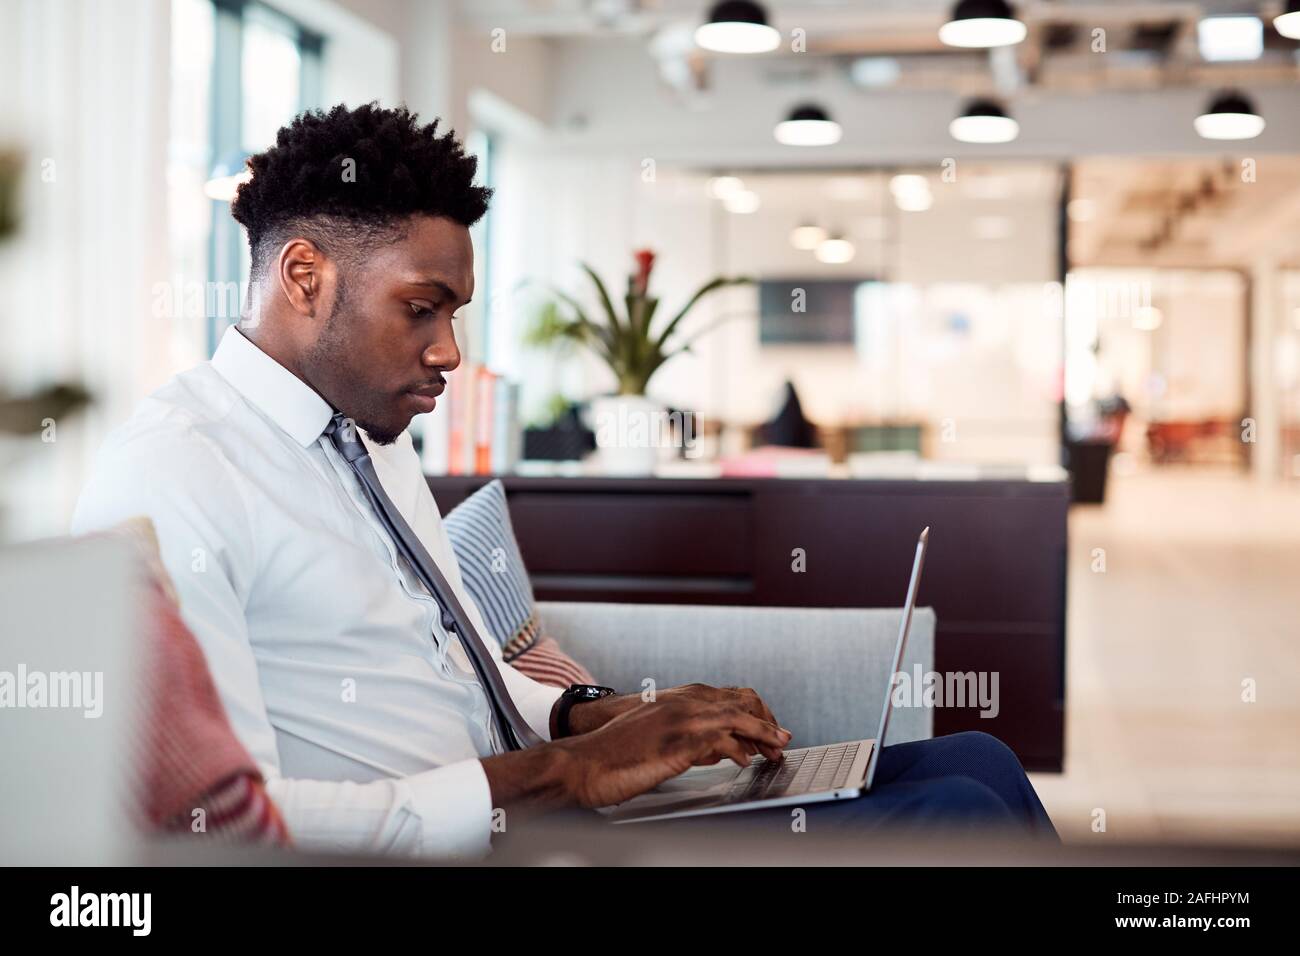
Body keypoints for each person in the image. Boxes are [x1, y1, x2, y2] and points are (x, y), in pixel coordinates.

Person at [72, 103, 1056, 859]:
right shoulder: (176, 471)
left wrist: (600, 714)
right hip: (488, 839)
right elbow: (222, 822)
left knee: (981, 758)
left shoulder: (371, 433)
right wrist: (568, 773)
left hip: (535, 804)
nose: (449, 349)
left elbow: (450, 664)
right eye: (422, 307)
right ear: (302, 276)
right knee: (959, 813)